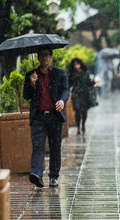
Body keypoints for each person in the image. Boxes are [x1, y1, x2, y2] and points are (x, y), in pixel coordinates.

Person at [23, 47, 69, 188]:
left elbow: (66, 90)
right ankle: (36, 174)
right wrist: (32, 83)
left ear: (51, 57)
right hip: (38, 117)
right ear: (38, 58)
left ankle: (54, 176)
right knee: (38, 146)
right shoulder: (31, 75)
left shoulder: (59, 74)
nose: (44, 58)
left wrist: (62, 100)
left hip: (55, 116)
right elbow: (26, 96)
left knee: (55, 147)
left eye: (47, 55)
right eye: (42, 56)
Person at [67, 58, 95, 135]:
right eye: (75, 64)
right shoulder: (72, 74)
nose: (76, 66)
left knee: (84, 112)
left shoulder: (86, 73)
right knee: (77, 111)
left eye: (78, 64)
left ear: (81, 64)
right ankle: (78, 127)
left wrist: (94, 82)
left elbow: (89, 83)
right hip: (76, 95)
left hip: (85, 94)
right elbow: (69, 84)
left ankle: (83, 125)